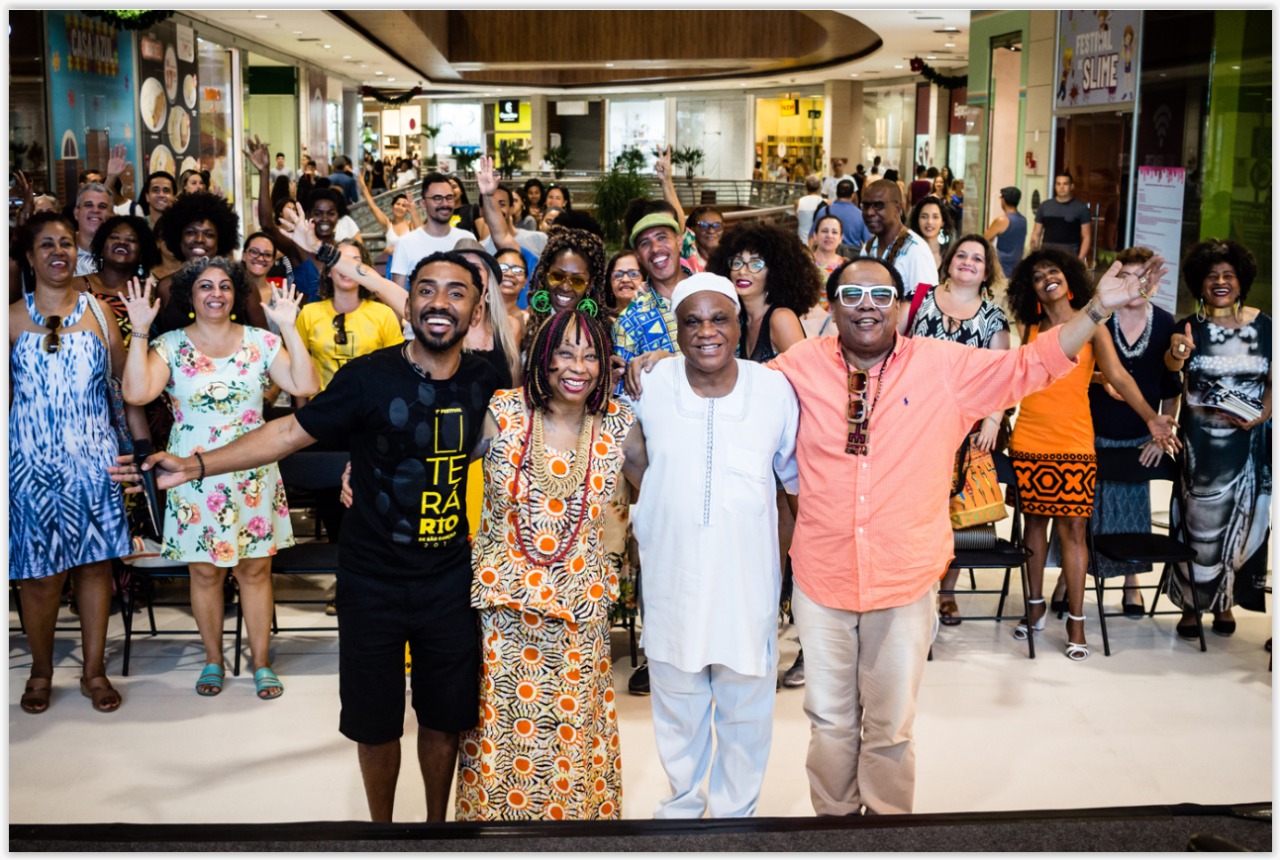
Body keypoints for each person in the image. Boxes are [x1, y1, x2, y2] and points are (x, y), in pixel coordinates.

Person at [764, 249, 1172, 815]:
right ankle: (833, 833)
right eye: (851, 295)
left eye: (881, 296)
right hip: (822, 578)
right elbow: (729, 395)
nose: (866, 308)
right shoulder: (797, 366)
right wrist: (657, 364)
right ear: (831, 307)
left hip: (904, 580)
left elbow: (1027, 365)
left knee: (890, 729)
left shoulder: (941, 366)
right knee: (829, 723)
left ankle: (885, 840)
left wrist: (1098, 307)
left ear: (902, 309)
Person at [114, 251, 502, 823]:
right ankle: (382, 834)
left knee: (446, 720)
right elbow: (286, 433)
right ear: (408, 301)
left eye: (456, 292)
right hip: (371, 579)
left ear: (475, 309)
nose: (439, 302)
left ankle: (436, 831)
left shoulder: (490, 379)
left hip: (450, 579)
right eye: (425, 289)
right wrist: (197, 465)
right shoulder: (369, 377)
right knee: (375, 723)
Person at [457, 309, 645, 821]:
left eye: (590, 355)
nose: (577, 366)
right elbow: (436, 465)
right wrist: (357, 469)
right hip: (504, 610)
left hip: (579, 612)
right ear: (543, 357)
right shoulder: (503, 411)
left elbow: (660, 496)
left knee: (571, 737)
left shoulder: (621, 425)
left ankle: (575, 840)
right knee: (503, 730)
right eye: (565, 352)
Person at [624, 274, 799, 818]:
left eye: (719, 318)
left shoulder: (773, 389)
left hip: (747, 577)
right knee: (677, 700)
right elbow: (632, 460)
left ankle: (734, 818)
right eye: (692, 321)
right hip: (672, 571)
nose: (706, 332)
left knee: (747, 704)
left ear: (740, 323)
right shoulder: (649, 385)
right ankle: (680, 809)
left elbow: (791, 483)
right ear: (675, 330)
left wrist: (781, 572)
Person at [119, 258, 319, 698]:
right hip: (192, 476)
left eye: (225, 286)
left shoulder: (261, 341)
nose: (216, 293)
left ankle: (261, 663)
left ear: (236, 294)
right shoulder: (170, 345)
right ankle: (213, 660)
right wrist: (138, 331)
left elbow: (306, 386)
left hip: (253, 470)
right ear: (191, 297)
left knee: (255, 571)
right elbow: (136, 392)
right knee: (205, 574)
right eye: (205, 286)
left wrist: (288, 327)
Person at [1004, 249, 1179, 661]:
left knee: (1075, 532)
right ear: (1029, 290)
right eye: (1037, 276)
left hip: (1075, 440)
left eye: (1054, 271)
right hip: (1030, 438)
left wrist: (1153, 418)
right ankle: (1034, 607)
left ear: (1069, 279)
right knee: (1034, 527)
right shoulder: (1027, 326)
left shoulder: (1093, 323)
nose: (1047, 277)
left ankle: (1077, 619)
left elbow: (1119, 375)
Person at [11, 212, 138, 714]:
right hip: (28, 465)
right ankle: (40, 672)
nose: (58, 251)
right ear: (29, 256)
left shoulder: (101, 313)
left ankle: (94, 671)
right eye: (46, 244)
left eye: (65, 242)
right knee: (39, 576)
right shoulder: (10, 318)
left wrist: (138, 451)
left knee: (93, 569)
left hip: (94, 463)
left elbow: (129, 389)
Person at [1163, 239, 1271, 639]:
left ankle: (1226, 604)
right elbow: (1171, 369)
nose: (1221, 282)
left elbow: (1273, 383)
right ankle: (1191, 607)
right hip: (1200, 446)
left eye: (1228, 275)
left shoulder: (1266, 326)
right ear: (1199, 284)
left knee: (1241, 527)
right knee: (1193, 524)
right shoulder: (1189, 326)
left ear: (1242, 282)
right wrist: (1177, 351)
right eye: (1212, 276)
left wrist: (1263, 413)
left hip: (1248, 444)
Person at [908, 235, 1011, 624]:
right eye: (962, 255)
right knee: (915, 510)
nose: (968, 262)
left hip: (966, 430)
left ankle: (946, 592)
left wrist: (993, 421)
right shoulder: (920, 301)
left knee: (954, 514)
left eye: (978, 259)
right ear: (949, 261)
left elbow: (1001, 377)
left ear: (987, 271)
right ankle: (916, 588)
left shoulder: (993, 318)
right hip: (915, 423)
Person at [1084, 246, 1181, 618]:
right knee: (1086, 513)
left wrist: (1158, 437)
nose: (1136, 285)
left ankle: (1132, 583)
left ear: (1153, 284)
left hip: (1139, 437)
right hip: (1091, 430)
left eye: (1143, 277)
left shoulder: (1168, 324)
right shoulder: (1098, 319)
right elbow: (1077, 369)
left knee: (1130, 511)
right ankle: (1069, 579)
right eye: (1127, 276)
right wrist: (1101, 378)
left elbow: (1172, 387)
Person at [613, 213, 692, 372]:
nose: (655, 248)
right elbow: (624, 392)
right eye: (645, 243)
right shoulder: (630, 321)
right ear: (639, 257)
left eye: (662, 237)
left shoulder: (712, 294)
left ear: (679, 242)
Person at [858, 179, 939, 329]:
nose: (869, 212)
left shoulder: (915, 249)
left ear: (897, 208)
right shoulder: (869, 247)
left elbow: (927, 305)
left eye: (878, 205)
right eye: (865, 206)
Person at [389, 172, 476, 289]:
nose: (445, 203)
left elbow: (476, 287)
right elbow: (397, 293)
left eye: (449, 198)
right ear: (423, 204)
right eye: (437, 198)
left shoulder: (467, 239)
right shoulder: (406, 243)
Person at [356, 170, 420, 260]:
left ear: (407, 210)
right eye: (397, 204)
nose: (400, 207)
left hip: (410, 263)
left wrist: (413, 209)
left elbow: (419, 240)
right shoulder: (388, 224)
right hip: (392, 265)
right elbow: (373, 207)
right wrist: (363, 187)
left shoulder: (411, 225)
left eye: (403, 206)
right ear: (392, 207)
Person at [1032, 172, 1092, 263]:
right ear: (1055, 186)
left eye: (1065, 184)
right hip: (1046, 257)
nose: (1061, 187)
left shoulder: (1081, 208)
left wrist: (1080, 260)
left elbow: (1086, 237)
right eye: (1058, 184)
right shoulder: (1044, 206)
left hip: (1070, 259)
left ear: (1072, 186)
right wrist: (1034, 255)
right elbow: (1036, 233)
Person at [808, 179, 868, 250]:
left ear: (836, 193)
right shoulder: (861, 215)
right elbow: (868, 241)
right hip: (852, 257)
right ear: (853, 196)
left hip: (828, 254)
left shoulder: (824, 211)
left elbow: (812, 236)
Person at [984, 186, 1028, 279]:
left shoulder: (1002, 220)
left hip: (1002, 267)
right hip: (1016, 266)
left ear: (1003, 200)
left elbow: (984, 239)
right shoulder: (1023, 220)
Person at [73, 182, 113, 275]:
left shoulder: (119, 254)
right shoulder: (61, 251)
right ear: (76, 213)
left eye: (102, 206)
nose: (95, 210)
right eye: (88, 205)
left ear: (111, 215)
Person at [908, 195, 955, 273]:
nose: (929, 222)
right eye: (924, 217)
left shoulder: (951, 254)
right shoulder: (909, 252)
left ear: (943, 222)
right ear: (917, 221)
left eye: (935, 217)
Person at [605, 250, 643, 314]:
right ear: (610, 282)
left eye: (633, 274)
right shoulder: (598, 321)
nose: (625, 280)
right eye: (618, 275)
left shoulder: (659, 314)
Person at [794, 175, 825, 244]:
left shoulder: (798, 202)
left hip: (802, 239)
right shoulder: (826, 202)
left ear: (806, 187)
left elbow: (798, 217)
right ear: (819, 187)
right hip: (818, 240)